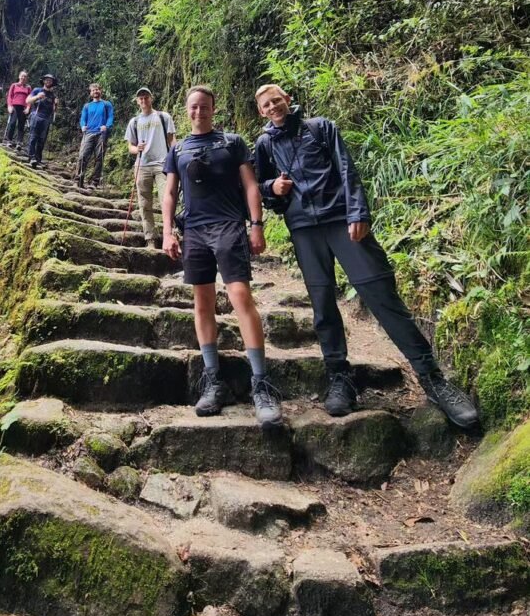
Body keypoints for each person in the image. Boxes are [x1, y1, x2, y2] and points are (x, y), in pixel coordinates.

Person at [252, 83, 478, 429]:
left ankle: (432, 378)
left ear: (288, 99)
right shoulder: (265, 144)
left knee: (380, 293)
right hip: (303, 230)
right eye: (266, 105)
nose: (273, 107)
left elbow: (347, 169)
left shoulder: (320, 128)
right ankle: (340, 378)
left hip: (342, 220)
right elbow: (263, 187)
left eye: (277, 100)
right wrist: (273, 188)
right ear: (261, 112)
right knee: (322, 303)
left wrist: (358, 213)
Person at [162, 85, 282, 428]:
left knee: (240, 296)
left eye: (204, 106)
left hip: (229, 225)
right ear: (187, 111)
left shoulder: (232, 142)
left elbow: (249, 185)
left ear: (214, 109)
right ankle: (213, 380)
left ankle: (261, 383)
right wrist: (168, 231)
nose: (199, 111)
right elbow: (170, 192)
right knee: (202, 302)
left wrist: (256, 224)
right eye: (193, 107)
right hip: (195, 231)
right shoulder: (179, 149)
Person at [124, 87, 176, 248]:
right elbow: (130, 147)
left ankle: (172, 235)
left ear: (151, 98)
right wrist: (137, 148)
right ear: (137, 101)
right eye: (141, 98)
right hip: (142, 165)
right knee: (144, 203)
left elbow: (172, 141)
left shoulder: (163, 117)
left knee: (166, 199)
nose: (144, 100)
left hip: (163, 163)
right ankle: (150, 238)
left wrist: (176, 159)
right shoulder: (134, 122)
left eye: (146, 97)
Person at [77, 83, 114, 188]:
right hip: (88, 133)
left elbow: (110, 117)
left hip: (101, 133)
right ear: (90, 93)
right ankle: (79, 178)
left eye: (97, 89)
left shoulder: (106, 104)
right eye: (93, 90)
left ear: (100, 91)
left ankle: (95, 182)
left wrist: (106, 126)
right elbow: (83, 118)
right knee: (82, 156)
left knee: (99, 157)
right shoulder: (87, 106)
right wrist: (83, 125)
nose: (95, 91)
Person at [26, 74, 58, 168]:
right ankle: (31, 157)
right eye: (46, 80)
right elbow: (28, 101)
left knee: (42, 139)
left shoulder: (52, 95)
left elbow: (54, 110)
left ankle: (38, 159)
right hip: (36, 115)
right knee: (33, 137)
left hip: (46, 119)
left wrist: (56, 105)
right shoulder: (37, 90)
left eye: (50, 80)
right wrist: (37, 97)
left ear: (52, 83)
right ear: (43, 81)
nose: (48, 81)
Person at [4, 70, 32, 148]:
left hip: (23, 107)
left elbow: (30, 98)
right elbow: (10, 96)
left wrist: (28, 108)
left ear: (27, 78)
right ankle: (9, 140)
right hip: (14, 106)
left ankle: (19, 142)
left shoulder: (28, 87)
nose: (23, 77)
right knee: (12, 123)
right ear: (19, 76)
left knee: (21, 125)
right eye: (22, 76)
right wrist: (9, 106)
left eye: (25, 76)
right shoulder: (14, 85)